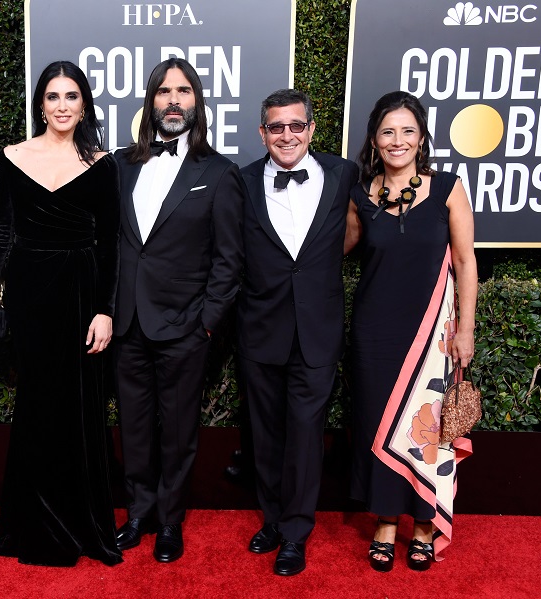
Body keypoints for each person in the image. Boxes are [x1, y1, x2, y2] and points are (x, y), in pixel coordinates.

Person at [0, 60, 122, 567]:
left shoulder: (103, 164)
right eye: (53, 96)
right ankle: (31, 524)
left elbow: (110, 244)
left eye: (71, 96)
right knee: (36, 405)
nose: (62, 106)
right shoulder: (12, 157)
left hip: (81, 293)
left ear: (84, 106)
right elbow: (0, 231)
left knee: (79, 406)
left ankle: (81, 523)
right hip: (30, 293)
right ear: (40, 104)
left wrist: (105, 310)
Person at [113, 58, 244, 563]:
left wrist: (206, 324)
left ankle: (170, 521)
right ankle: (139, 513)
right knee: (134, 426)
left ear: (197, 102)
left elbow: (229, 260)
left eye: (183, 91)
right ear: (151, 101)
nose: (173, 100)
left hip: (185, 327)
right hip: (127, 323)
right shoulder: (122, 165)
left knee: (178, 432)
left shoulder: (219, 172)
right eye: (164, 91)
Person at [345, 90, 477, 572]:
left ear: (421, 138)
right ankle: (385, 521)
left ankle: (424, 523)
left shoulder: (447, 188)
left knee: (428, 430)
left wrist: (466, 329)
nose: (397, 140)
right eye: (387, 131)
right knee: (377, 426)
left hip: (434, 332)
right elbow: (333, 250)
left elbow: (465, 261)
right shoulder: (361, 195)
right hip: (374, 332)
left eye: (407, 131)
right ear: (374, 140)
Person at [238, 89, 358, 576]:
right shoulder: (242, 181)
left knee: (306, 434)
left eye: (296, 125)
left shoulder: (344, 174)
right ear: (262, 132)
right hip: (260, 327)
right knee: (265, 434)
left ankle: (295, 531)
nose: (286, 135)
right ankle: (271, 519)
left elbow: (357, 231)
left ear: (311, 128)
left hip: (317, 329)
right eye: (276, 127)